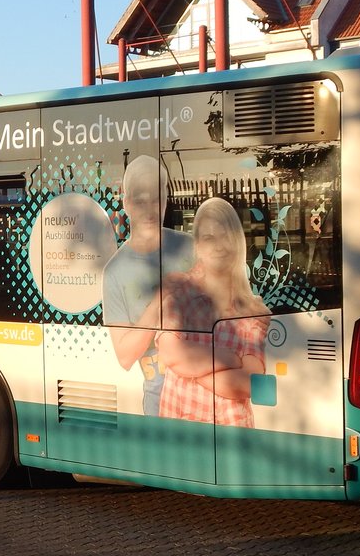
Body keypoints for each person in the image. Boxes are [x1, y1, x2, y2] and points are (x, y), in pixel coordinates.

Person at [156, 197, 270, 426]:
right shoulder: (179, 293)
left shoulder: (252, 308)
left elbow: (248, 384)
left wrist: (190, 368)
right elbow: (171, 355)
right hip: (182, 436)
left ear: (237, 241)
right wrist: (229, 358)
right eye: (209, 238)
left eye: (225, 235)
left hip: (232, 439)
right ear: (197, 246)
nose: (219, 246)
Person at [101, 155, 194, 416]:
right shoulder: (114, 272)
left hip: (203, 401)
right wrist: (160, 303)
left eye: (157, 199)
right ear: (127, 203)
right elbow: (125, 356)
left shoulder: (191, 247)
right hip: (160, 408)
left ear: (166, 199)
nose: (151, 209)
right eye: (141, 200)